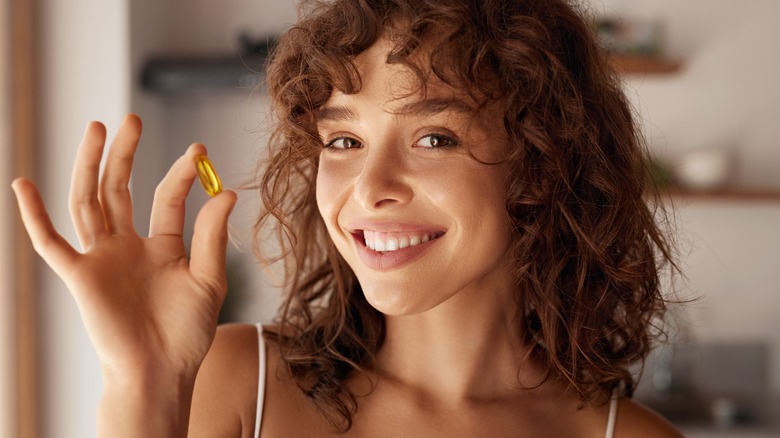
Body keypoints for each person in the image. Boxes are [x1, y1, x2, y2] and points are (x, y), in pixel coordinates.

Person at [12, 0, 683, 436]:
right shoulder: (242, 382)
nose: (371, 186)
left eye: (433, 138)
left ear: (539, 166)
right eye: (344, 141)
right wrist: (144, 384)